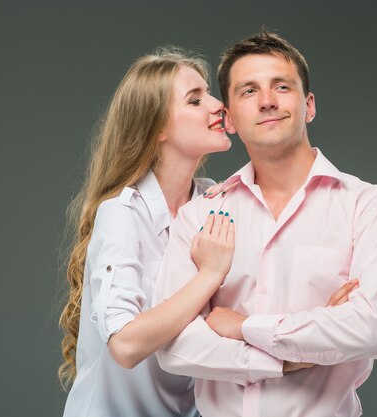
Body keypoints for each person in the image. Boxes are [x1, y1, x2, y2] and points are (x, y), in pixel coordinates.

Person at [153, 31, 377, 417]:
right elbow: (173, 347)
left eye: (282, 87)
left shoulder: (369, 207)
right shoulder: (200, 215)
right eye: (249, 91)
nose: (268, 101)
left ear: (309, 106)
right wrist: (290, 355)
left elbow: (371, 329)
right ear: (231, 119)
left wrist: (244, 327)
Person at [58, 48, 236, 417]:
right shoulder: (122, 214)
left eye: (209, 93)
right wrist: (209, 276)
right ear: (158, 129)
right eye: (195, 99)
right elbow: (124, 345)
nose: (219, 104)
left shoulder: (213, 199)